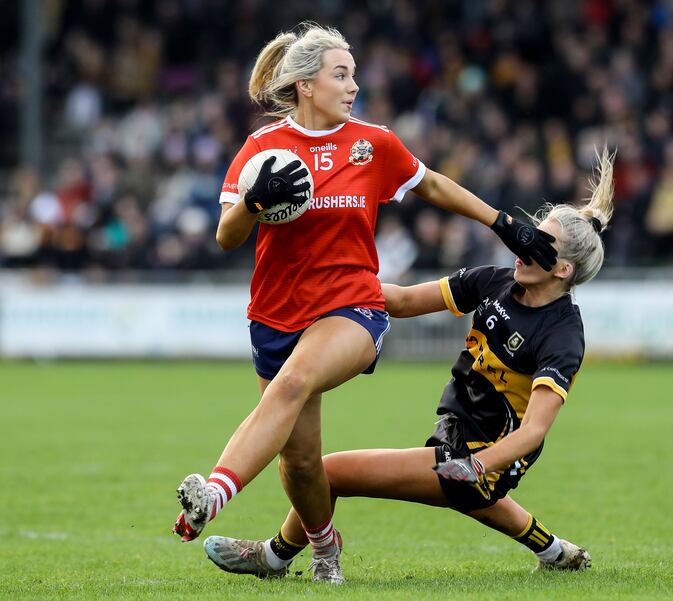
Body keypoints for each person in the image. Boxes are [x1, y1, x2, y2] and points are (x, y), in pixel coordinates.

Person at [171, 23, 559, 585]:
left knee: (294, 381)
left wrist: (503, 223)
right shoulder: (261, 150)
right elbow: (227, 237)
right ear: (306, 84)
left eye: (353, 73)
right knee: (301, 463)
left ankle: (215, 491)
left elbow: (433, 186)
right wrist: (254, 203)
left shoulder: (372, 143)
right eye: (341, 74)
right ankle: (325, 548)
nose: (354, 85)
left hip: (354, 307)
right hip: (275, 318)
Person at [201, 149, 616, 580]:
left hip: (485, 456)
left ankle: (273, 557)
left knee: (330, 473)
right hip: (459, 441)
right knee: (466, 497)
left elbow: (533, 431)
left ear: (563, 269)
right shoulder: (495, 281)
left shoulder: (563, 335)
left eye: (537, 243)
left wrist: (478, 466)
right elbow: (398, 301)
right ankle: (555, 553)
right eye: (527, 234)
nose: (522, 245)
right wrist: (327, 281)